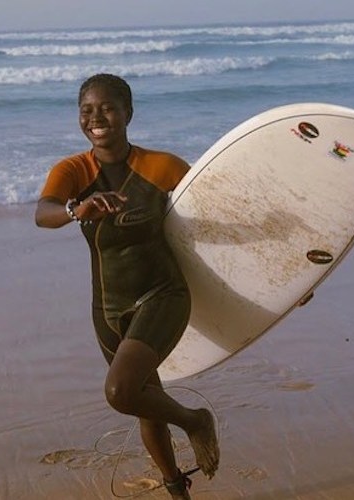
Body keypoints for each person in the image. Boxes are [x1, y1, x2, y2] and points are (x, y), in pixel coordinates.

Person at [35, 73, 219, 499]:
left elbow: (215, 217)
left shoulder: (163, 167)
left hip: (163, 294)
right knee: (145, 402)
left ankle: (196, 421)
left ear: (128, 114)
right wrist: (76, 208)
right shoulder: (73, 170)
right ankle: (178, 491)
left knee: (121, 391)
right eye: (86, 109)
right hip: (107, 310)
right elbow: (42, 213)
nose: (96, 117)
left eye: (107, 108)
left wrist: (283, 282)